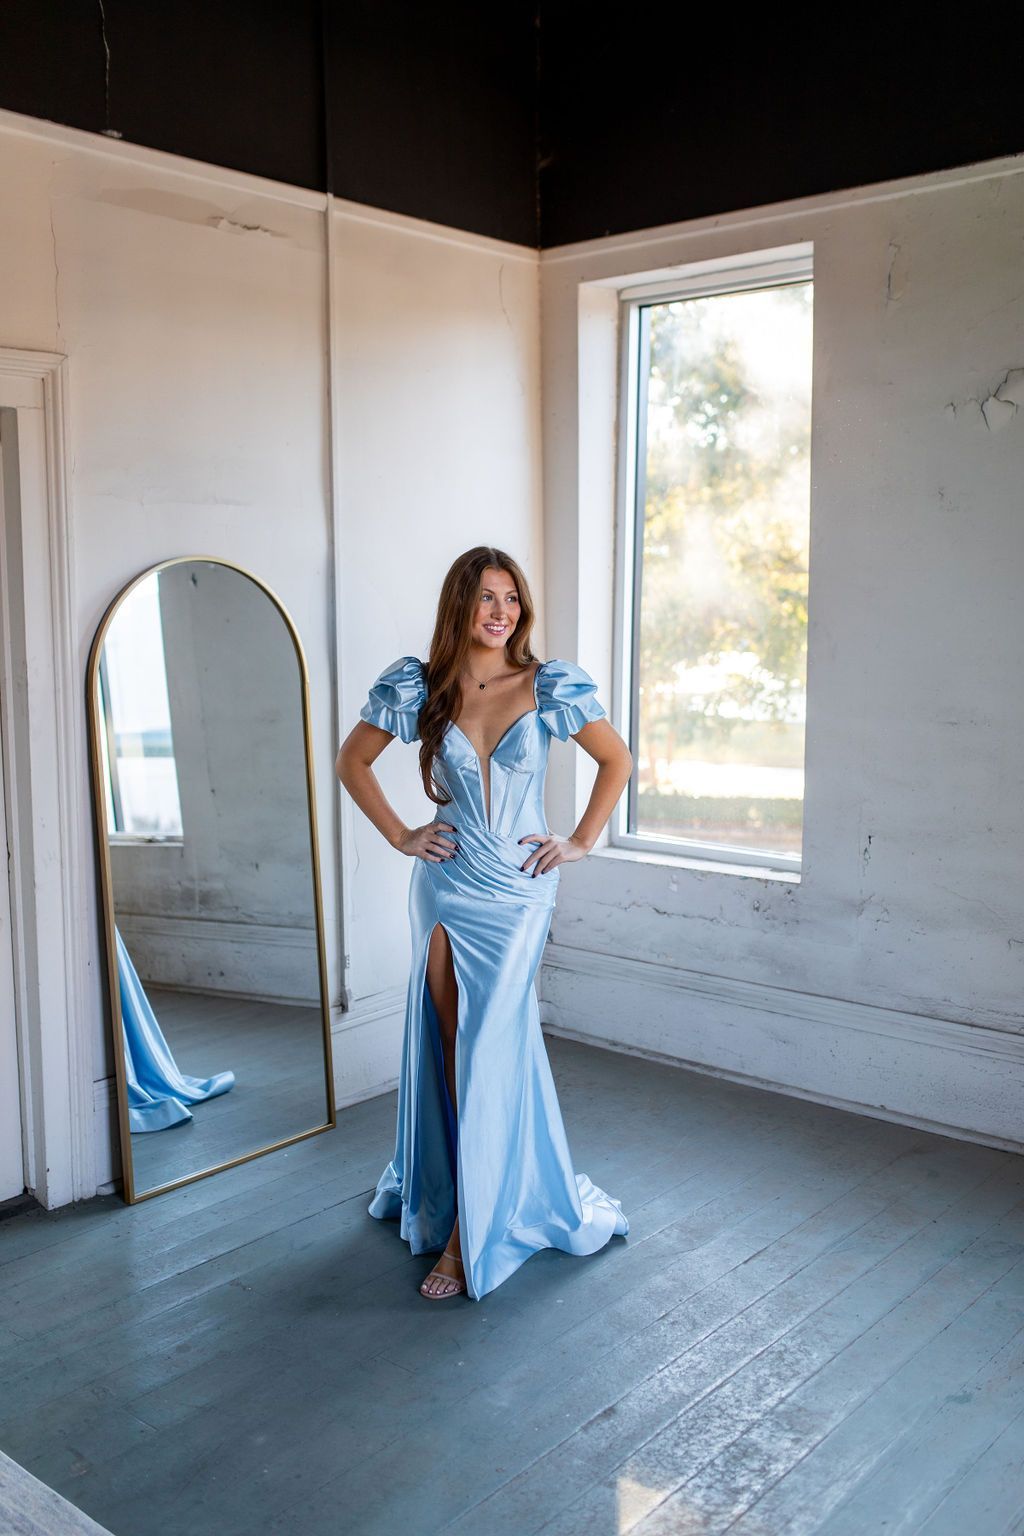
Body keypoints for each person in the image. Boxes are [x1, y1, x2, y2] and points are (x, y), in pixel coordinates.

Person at [335, 546, 633, 1301]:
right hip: (445, 885)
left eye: (511, 599)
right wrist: (404, 834)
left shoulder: (549, 684)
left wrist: (580, 840)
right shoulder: (419, 685)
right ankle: (450, 1194)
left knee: (492, 1046)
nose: (501, 612)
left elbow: (617, 761)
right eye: (486, 598)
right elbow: (352, 762)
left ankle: (472, 1237)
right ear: (460, 607)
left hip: (520, 890)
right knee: (448, 1048)